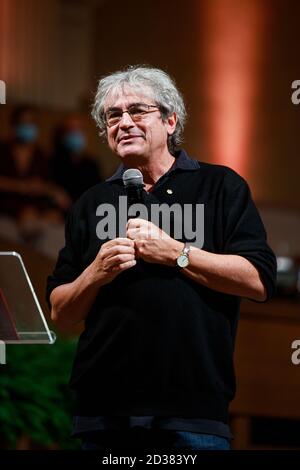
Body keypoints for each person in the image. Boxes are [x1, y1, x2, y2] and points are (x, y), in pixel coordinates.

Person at [46, 66, 277, 451]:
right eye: (113, 116)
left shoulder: (219, 186)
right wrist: (95, 274)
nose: (124, 122)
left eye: (137, 111)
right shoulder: (91, 202)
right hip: (105, 413)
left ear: (171, 121)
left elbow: (258, 281)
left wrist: (178, 254)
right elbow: (62, 314)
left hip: (192, 410)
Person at [0, 105, 71, 244]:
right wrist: (21, 186)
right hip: (8, 211)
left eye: (32, 123)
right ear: (14, 126)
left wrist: (51, 192)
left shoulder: (41, 155)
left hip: (35, 212)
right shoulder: (3, 151)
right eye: (24, 123)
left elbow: (46, 184)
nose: (28, 127)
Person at [51, 114, 102, 202]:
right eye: (71, 130)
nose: (76, 134)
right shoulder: (53, 163)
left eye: (79, 129)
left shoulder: (91, 164)